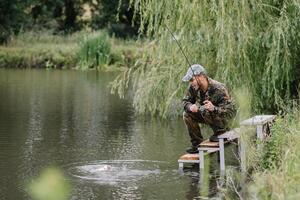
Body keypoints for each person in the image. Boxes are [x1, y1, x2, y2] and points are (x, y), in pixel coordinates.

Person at [182, 64, 236, 154]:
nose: (190, 83)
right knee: (187, 114)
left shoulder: (219, 88)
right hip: (207, 115)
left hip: (224, 121)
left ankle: (221, 132)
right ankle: (197, 144)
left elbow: (231, 112)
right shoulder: (193, 87)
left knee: (206, 109)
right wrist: (190, 106)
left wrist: (214, 108)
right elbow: (185, 101)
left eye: (192, 80)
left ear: (201, 76)